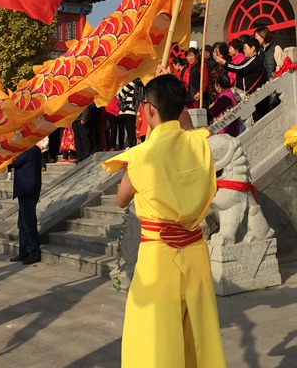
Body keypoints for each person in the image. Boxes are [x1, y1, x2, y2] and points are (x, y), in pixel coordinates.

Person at [103, 74, 226, 368]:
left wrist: (133, 160)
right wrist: (166, 96)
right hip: (195, 254)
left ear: (147, 108)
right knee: (198, 335)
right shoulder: (199, 143)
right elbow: (186, 127)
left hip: (159, 257)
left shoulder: (140, 156)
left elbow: (122, 199)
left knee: (155, 340)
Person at [7, 140, 46, 265]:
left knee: (28, 224)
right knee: (22, 224)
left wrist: (4, 156)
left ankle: (34, 252)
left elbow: (14, 163)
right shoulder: (31, 149)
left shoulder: (30, 149)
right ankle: (23, 251)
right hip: (25, 189)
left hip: (28, 190)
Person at [207, 72, 241, 137]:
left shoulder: (224, 98)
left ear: (218, 86)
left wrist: (210, 107)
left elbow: (213, 111)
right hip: (230, 126)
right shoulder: (228, 93)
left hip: (229, 130)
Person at [116, 81, 138, 149]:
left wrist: (119, 95)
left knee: (130, 131)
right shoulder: (133, 82)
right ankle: (132, 146)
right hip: (129, 111)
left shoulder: (126, 83)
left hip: (125, 111)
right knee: (131, 131)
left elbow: (119, 94)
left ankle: (132, 146)